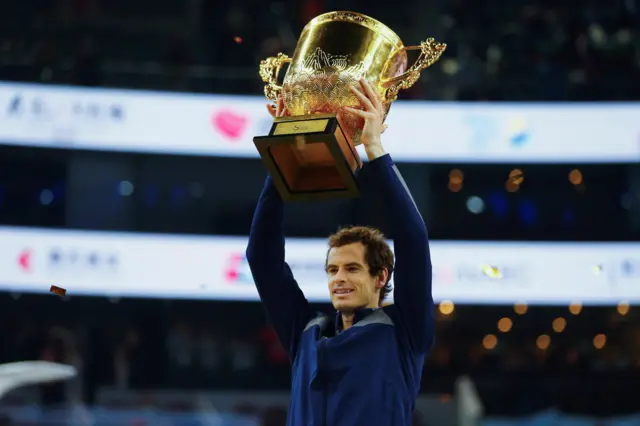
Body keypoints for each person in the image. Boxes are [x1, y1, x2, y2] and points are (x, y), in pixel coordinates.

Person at [246, 79, 434, 426]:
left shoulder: (405, 331)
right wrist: (283, 156)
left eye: (352, 268)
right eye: (333, 270)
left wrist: (374, 149)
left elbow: (412, 238)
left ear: (381, 276)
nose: (339, 279)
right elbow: (262, 257)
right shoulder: (306, 331)